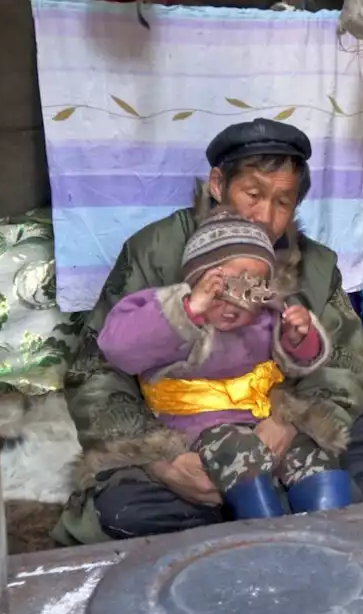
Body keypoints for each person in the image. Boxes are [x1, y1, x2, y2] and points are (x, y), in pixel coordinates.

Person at [54, 119, 363, 545]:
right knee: (123, 509)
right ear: (217, 184)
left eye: (282, 202)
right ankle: (321, 513)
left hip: (282, 435)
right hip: (186, 436)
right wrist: (163, 460)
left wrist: (289, 423)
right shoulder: (154, 251)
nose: (265, 216)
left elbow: (344, 361)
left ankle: (268, 518)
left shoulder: (315, 265)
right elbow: (97, 370)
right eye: (252, 194)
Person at [94, 211, 350, 511]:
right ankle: (266, 536)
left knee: (315, 457)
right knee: (242, 455)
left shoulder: (266, 317)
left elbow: (299, 362)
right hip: (198, 428)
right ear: (195, 281)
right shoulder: (165, 306)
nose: (232, 307)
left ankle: (329, 531)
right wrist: (189, 309)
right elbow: (118, 347)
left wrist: (298, 338)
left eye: (248, 295)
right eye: (219, 293)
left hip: (263, 420)